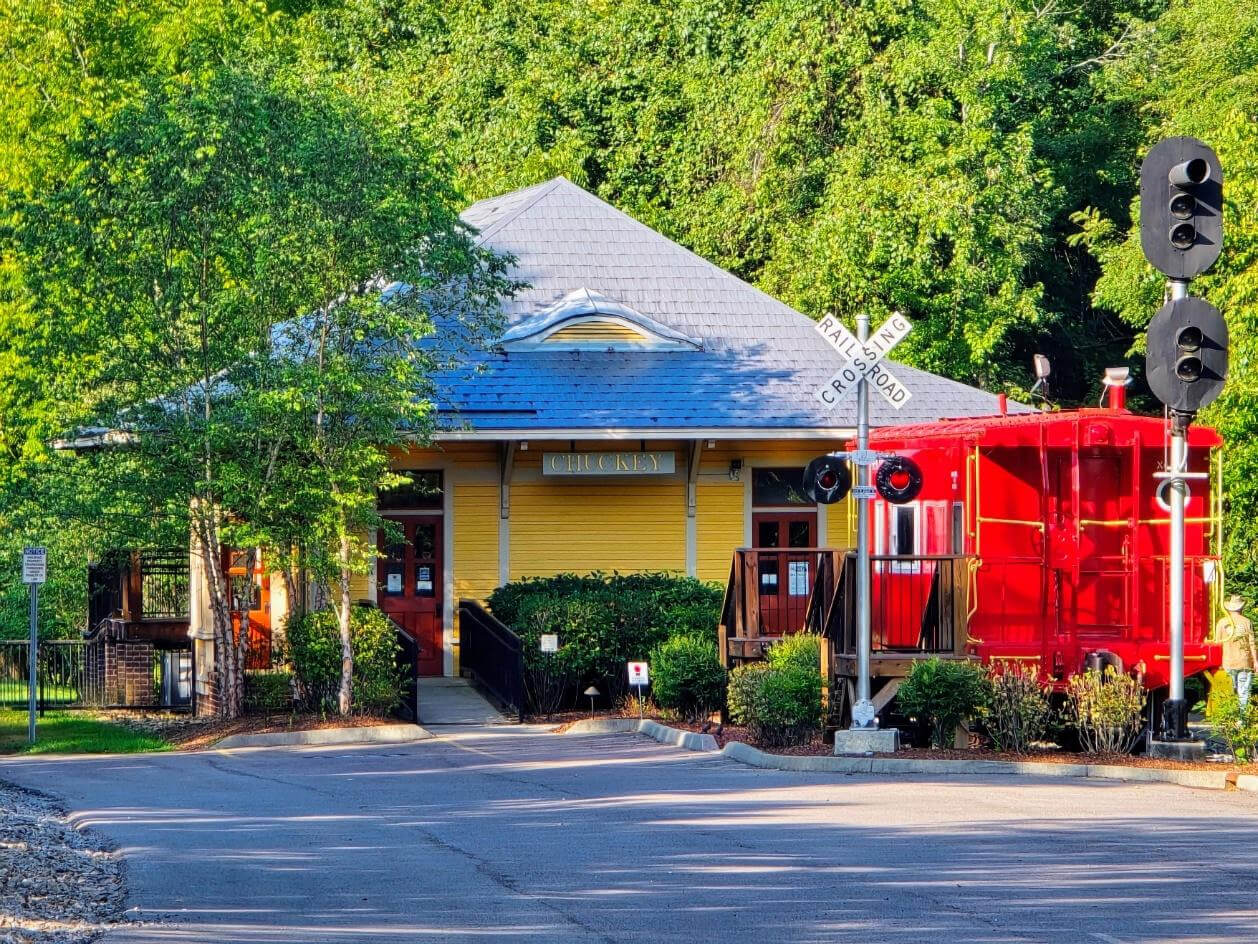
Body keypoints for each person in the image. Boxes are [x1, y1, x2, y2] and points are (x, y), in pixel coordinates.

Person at [1214, 594, 1256, 709]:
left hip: (1227, 662)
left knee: (1228, 693)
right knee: (1244, 693)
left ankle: (1228, 719)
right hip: (1244, 662)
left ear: (1229, 608)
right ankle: (1242, 720)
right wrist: (1256, 661)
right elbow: (1252, 643)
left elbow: (1217, 644)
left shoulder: (1222, 623)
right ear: (1241, 608)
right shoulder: (1247, 622)